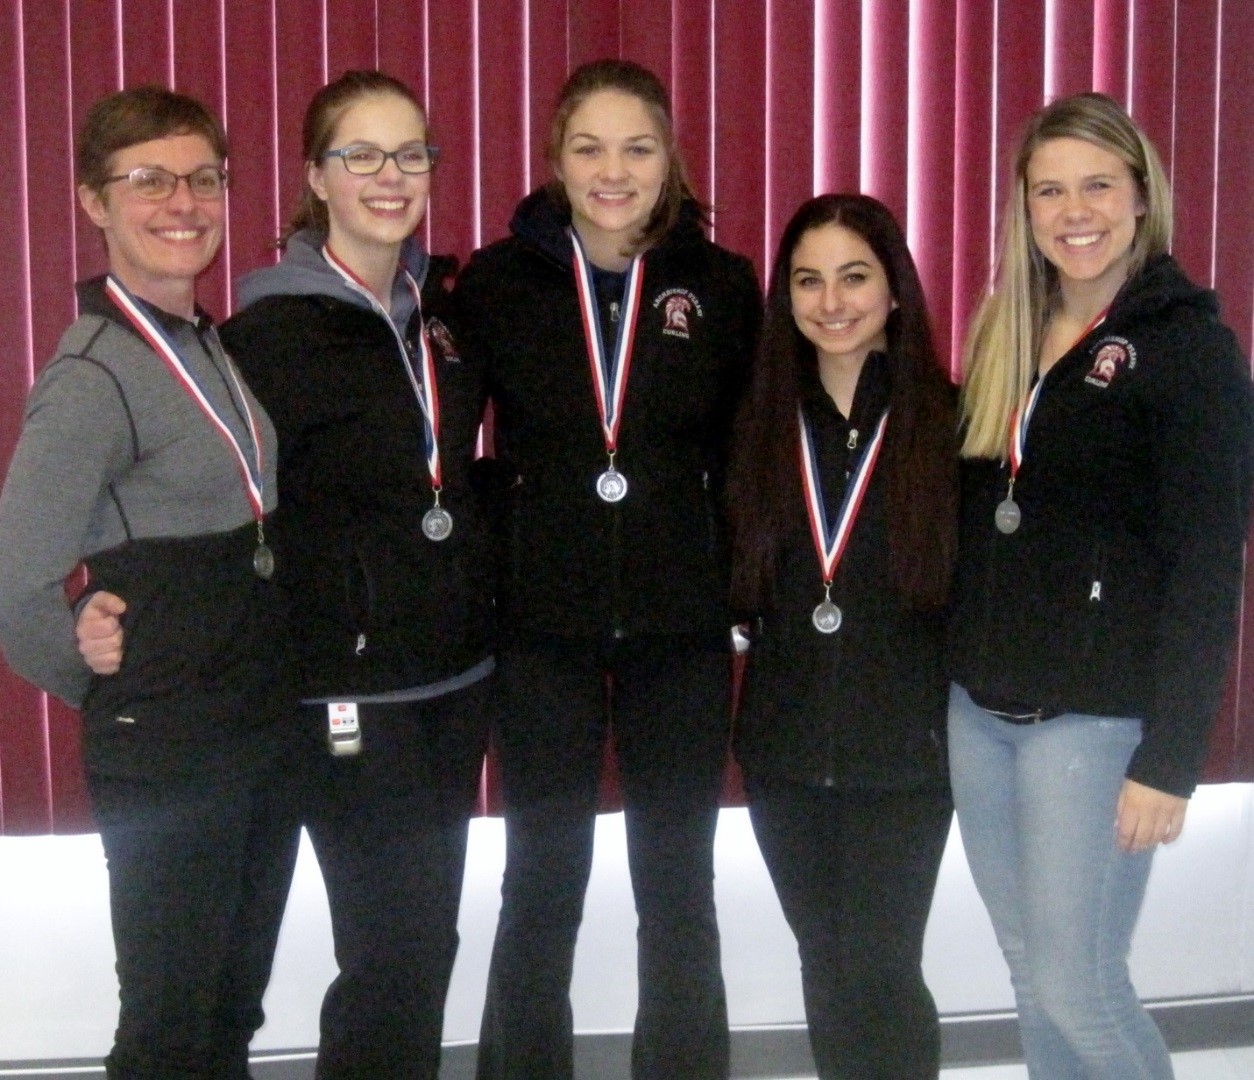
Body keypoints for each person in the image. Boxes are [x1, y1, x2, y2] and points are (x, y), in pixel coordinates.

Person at [452, 58, 760, 1080]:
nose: (613, 170)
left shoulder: (721, 284)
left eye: (638, 147)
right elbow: (450, 452)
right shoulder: (494, 284)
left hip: (680, 634)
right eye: (589, 147)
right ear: (554, 159)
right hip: (543, 636)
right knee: (541, 883)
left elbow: (750, 457)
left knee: (678, 887)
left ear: (670, 158)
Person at [948, 91, 1254, 1078]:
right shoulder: (1006, 327)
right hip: (981, 713)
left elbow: (1210, 566)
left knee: (1082, 986)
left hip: (1095, 723)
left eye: (1096, 185)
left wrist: (1170, 759)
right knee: (1033, 972)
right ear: (1024, 207)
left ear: (1139, 196)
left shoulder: (1189, 347)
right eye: (1049, 190)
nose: (1073, 211)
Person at [0, 87, 298, 1078]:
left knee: (228, 1009)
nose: (184, 201)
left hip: (251, 721)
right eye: (149, 180)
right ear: (93, 201)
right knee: (170, 1023)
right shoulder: (92, 375)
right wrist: (108, 688)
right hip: (172, 747)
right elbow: (14, 581)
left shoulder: (199, 339)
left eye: (203, 177)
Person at [218, 70, 493, 1079]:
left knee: (430, 948)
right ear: (315, 177)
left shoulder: (444, 322)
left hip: (455, 682)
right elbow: (218, 506)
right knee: (390, 954)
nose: (391, 176)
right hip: (345, 694)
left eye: (411, 153)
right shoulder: (265, 338)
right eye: (362, 155)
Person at [727, 194, 958, 1079]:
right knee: (825, 968)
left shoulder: (953, 425)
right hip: (785, 757)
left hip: (904, 760)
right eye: (808, 279)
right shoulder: (755, 428)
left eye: (855, 277)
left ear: (895, 289)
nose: (831, 300)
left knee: (884, 970)